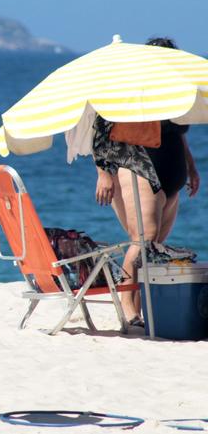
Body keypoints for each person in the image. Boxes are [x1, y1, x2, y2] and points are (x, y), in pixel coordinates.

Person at [93, 36, 200, 325]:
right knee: (143, 240)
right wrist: (103, 172)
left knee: (153, 248)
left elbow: (179, 132)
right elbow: (101, 129)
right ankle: (128, 309)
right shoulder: (130, 88)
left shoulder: (174, 89)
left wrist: (191, 167)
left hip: (172, 172)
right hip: (138, 166)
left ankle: (142, 311)